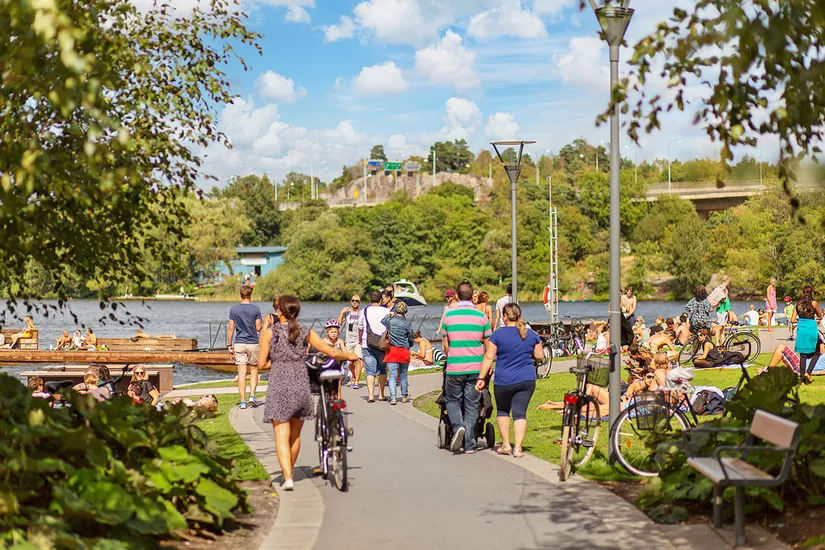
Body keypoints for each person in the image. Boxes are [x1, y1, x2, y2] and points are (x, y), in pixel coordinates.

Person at [257, 295, 356, 491]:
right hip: (301, 383)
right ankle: (290, 472)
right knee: (295, 435)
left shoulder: (270, 333)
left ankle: (288, 477)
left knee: (281, 435)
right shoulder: (306, 332)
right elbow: (332, 352)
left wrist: (277, 364)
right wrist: (350, 355)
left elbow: (261, 365)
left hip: (279, 384)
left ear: (279, 311)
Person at [476, 303, 542, 458]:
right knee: (520, 413)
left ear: (504, 317)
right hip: (526, 379)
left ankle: (506, 444)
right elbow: (540, 356)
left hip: (504, 380)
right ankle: (518, 448)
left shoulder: (498, 335)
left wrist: (481, 378)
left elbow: (489, 357)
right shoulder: (530, 333)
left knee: (503, 411)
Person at [441, 281, 491, 454]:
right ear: (472, 296)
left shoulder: (449, 316)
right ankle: (470, 445)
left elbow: (445, 347)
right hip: (476, 368)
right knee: (472, 404)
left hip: (455, 367)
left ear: (456, 295)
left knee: (453, 401)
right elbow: (488, 346)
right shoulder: (482, 317)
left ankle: (458, 427)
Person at [538, 367, 659, 411]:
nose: (650, 379)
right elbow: (626, 397)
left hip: (618, 402)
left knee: (588, 402)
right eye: (648, 377)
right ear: (643, 377)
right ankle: (557, 404)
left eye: (652, 377)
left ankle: (554, 404)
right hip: (618, 401)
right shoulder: (638, 385)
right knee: (590, 388)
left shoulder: (651, 386)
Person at [228, 285, 263, 410]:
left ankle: (242, 402)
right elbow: (258, 328)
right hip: (253, 342)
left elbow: (231, 329)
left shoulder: (234, 310)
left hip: (239, 343)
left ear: (240, 295)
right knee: (254, 370)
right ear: (250, 295)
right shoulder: (256, 309)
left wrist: (229, 345)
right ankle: (252, 396)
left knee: (241, 373)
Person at [359, 290, 390, 403]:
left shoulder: (364, 311)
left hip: (367, 344)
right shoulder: (386, 310)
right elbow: (389, 325)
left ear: (370, 299)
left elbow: (360, 327)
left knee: (370, 371)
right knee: (382, 370)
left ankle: (371, 396)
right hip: (382, 344)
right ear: (381, 299)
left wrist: (360, 340)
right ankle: (381, 395)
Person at [382, 302, 415, 405]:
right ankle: (404, 396)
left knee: (392, 375)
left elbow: (382, 321)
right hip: (404, 351)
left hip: (392, 350)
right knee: (403, 375)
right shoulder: (407, 324)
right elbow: (411, 338)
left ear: (396, 310)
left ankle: (393, 398)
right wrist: (409, 345)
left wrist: (390, 315)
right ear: (406, 311)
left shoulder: (390, 320)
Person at [790, 285, 823, 384]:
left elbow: (792, 320)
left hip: (802, 329)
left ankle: (801, 380)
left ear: (802, 292)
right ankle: (808, 373)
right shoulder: (814, 303)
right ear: (811, 292)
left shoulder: (797, 304)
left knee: (803, 355)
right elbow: (819, 315)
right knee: (817, 353)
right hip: (812, 329)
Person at [337, 295, 364, 389]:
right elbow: (338, 324)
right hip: (348, 340)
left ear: (360, 302)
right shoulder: (347, 313)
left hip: (358, 341)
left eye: (357, 301)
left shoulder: (362, 313)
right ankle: (353, 375)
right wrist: (341, 313)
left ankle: (356, 381)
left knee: (358, 360)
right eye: (353, 300)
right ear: (350, 301)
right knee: (351, 362)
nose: (355, 302)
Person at [321, 319, 347, 399]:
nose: (334, 334)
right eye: (332, 332)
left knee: (338, 381)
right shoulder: (323, 341)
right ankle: (326, 397)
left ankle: (339, 398)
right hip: (326, 364)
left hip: (337, 365)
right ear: (327, 333)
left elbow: (345, 352)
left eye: (335, 332)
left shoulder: (340, 341)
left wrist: (345, 356)